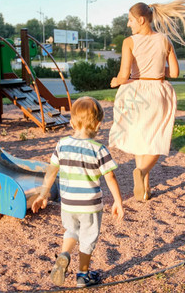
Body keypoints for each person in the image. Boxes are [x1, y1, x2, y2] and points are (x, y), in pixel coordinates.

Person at [109, 0, 185, 201]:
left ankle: (142, 179)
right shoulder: (164, 40)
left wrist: (116, 80)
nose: (128, 24)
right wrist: (158, 71)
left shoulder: (129, 42)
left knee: (142, 139)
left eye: (130, 20)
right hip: (157, 92)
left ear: (141, 20)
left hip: (135, 93)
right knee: (156, 140)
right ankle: (143, 179)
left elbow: (124, 75)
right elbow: (175, 73)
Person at [31, 96, 124, 288]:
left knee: (71, 231)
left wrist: (42, 195)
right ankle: (83, 275)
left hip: (68, 203)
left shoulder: (62, 144)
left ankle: (64, 254)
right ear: (98, 124)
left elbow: (51, 171)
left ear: (72, 122)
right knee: (87, 239)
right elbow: (110, 177)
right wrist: (118, 201)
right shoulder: (99, 149)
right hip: (89, 206)